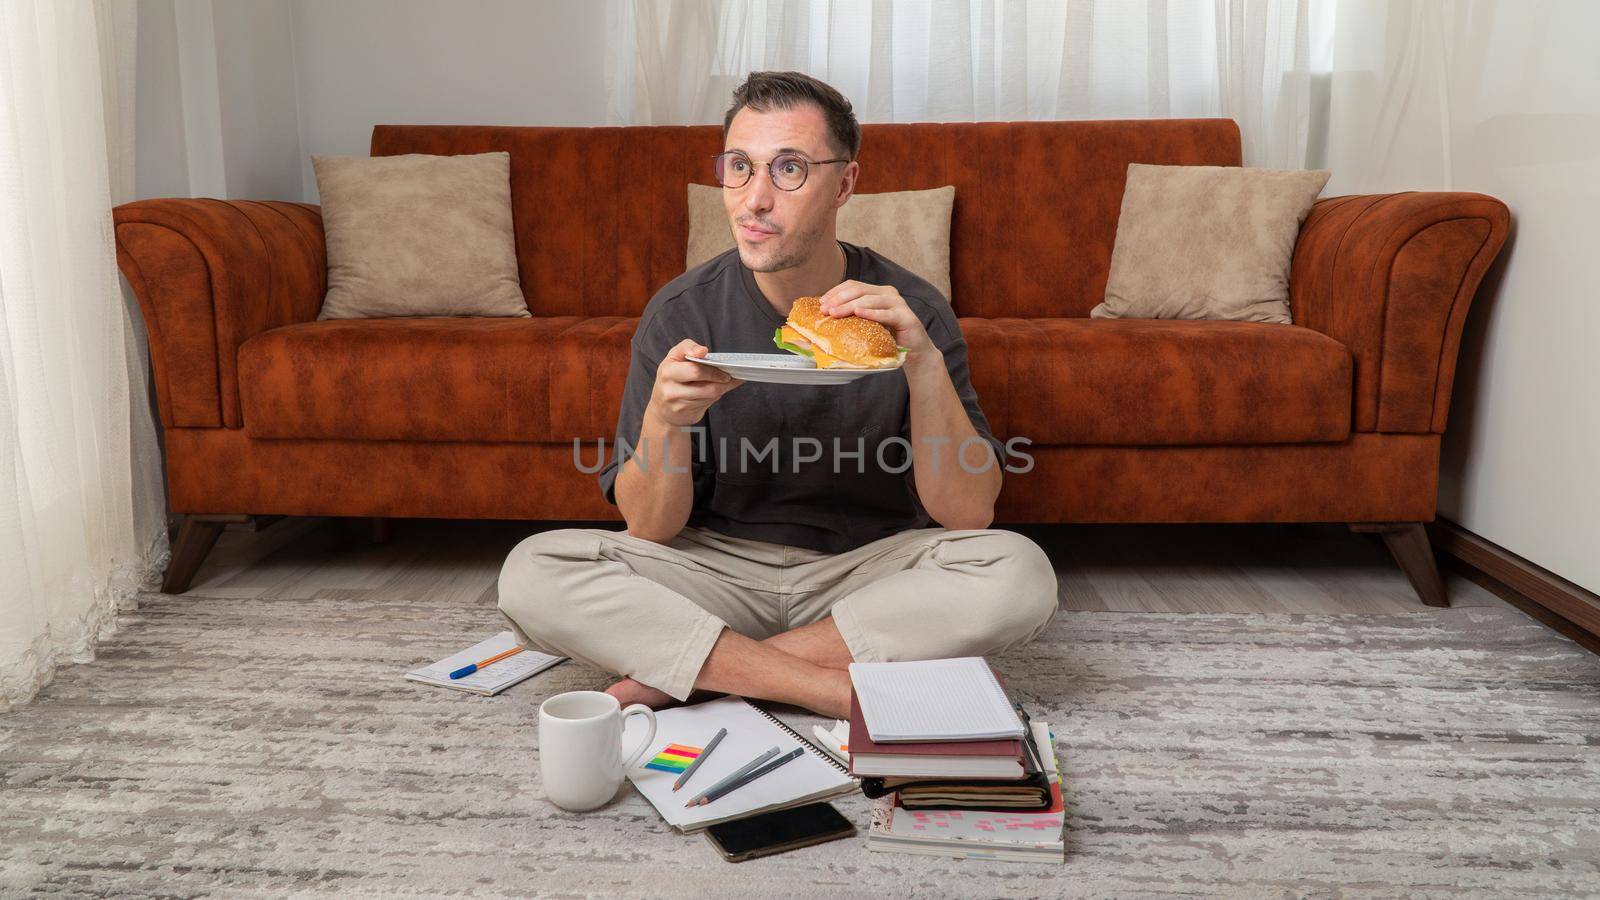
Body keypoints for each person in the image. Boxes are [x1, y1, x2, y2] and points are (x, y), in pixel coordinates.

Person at [497, 70, 1057, 718]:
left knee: (1019, 573)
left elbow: (969, 517)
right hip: (712, 571)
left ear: (844, 182)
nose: (753, 199)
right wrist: (664, 418)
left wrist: (923, 364)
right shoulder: (679, 312)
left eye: (788, 169)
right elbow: (650, 529)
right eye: (739, 167)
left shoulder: (911, 312)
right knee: (532, 572)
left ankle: (702, 672)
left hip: (868, 572)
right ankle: (828, 687)